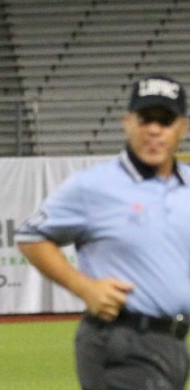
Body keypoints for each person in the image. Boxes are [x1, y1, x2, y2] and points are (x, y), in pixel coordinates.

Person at [16, 74, 190, 390]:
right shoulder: (94, 186)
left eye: (164, 121)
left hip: (174, 344)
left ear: (183, 128)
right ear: (127, 123)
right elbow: (31, 236)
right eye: (145, 119)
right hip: (119, 342)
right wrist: (84, 287)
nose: (153, 129)